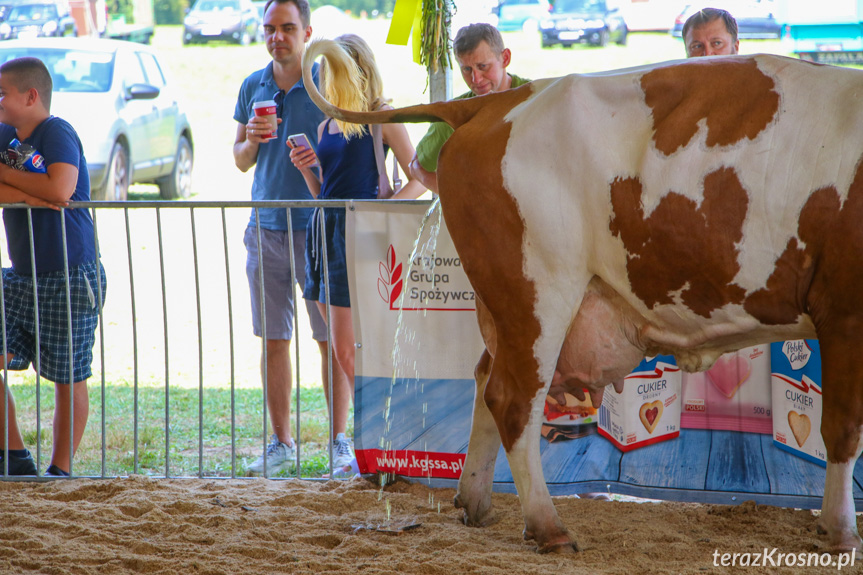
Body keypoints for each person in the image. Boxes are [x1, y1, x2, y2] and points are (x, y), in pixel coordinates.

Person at [289, 34, 425, 475]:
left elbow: (418, 177)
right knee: (341, 348)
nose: (329, 80)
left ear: (359, 68)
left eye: (336, 71)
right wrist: (308, 168)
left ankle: (378, 446)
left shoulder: (383, 116)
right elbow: (324, 189)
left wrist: (380, 213)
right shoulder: (328, 122)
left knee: (352, 350)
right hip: (324, 232)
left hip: (359, 237)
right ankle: (371, 447)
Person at [233, 0, 347, 476]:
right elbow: (240, 159)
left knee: (330, 341)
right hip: (266, 228)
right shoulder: (252, 85)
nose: (277, 36)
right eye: (270, 28)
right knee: (273, 339)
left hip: (317, 229)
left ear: (307, 31)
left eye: (287, 28)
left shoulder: (327, 80)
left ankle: (340, 441)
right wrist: (255, 139)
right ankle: (282, 442)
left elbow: (351, 146)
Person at [0, 56, 107, 477]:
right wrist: (32, 195)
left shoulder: (57, 130)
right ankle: (14, 455)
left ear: (31, 96)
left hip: (70, 272)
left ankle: (60, 469)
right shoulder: (4, 135)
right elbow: (46, 191)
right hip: (22, 274)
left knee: (68, 374)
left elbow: (61, 188)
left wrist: (9, 183)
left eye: (3, 93)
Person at [409, 23, 531, 193]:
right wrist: (463, 198)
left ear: (505, 58)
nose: (476, 79)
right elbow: (418, 166)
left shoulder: (535, 99)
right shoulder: (454, 115)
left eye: (483, 67)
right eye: (466, 69)